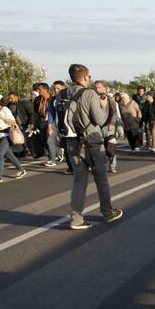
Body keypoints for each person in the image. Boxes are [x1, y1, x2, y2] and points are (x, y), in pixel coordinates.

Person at [62, 63, 122, 229]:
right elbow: (100, 119)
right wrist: (103, 107)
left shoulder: (63, 93)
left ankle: (76, 218)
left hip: (71, 142)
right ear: (84, 77)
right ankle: (108, 212)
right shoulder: (88, 93)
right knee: (101, 179)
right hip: (91, 142)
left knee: (79, 181)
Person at [0, 92, 27, 182]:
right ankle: (22, 170)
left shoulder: (5, 109)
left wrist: (2, 117)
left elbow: (13, 122)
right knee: (9, 156)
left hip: (6, 135)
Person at [95, 81, 122, 174]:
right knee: (100, 148)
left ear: (103, 88)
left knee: (111, 146)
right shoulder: (93, 99)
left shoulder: (110, 99)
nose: (97, 89)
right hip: (97, 127)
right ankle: (100, 166)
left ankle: (112, 165)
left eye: (99, 87)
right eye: (96, 87)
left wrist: (112, 123)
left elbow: (114, 112)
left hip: (108, 126)